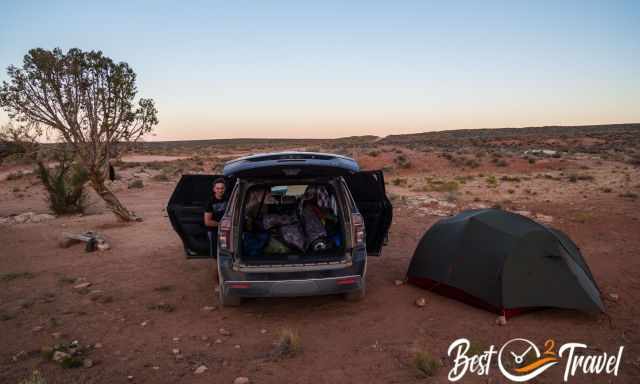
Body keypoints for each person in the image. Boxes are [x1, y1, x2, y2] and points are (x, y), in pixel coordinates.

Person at [204, 178, 227, 258]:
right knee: (215, 252)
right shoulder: (210, 202)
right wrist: (222, 224)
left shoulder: (228, 199)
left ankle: (223, 266)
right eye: (218, 188)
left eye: (222, 188)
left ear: (225, 189)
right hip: (213, 231)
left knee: (224, 249)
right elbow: (207, 222)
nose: (220, 190)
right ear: (214, 189)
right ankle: (217, 267)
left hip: (224, 231)